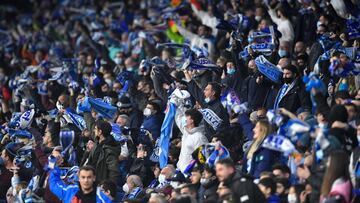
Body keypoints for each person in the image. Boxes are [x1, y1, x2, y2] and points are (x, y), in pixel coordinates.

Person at [175, 106, 208, 172]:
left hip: (190, 173)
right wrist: (175, 106)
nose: (184, 118)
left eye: (186, 117)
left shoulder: (199, 137)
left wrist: (194, 171)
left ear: (192, 120)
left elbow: (202, 158)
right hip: (180, 169)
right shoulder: (186, 131)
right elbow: (178, 119)